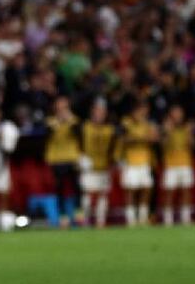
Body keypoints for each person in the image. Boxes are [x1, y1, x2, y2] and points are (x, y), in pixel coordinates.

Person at [78, 98, 117, 227]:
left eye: (102, 112)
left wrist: (112, 162)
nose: (99, 114)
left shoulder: (110, 129)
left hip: (103, 166)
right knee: (88, 194)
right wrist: (81, 158)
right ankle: (86, 220)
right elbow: (79, 144)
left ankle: (101, 221)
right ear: (92, 112)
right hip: (89, 166)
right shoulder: (84, 127)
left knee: (102, 194)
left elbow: (113, 148)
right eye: (97, 111)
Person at [119, 101, 158, 226]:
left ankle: (142, 216)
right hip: (130, 161)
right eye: (141, 110)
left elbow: (153, 139)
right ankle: (131, 218)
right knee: (131, 190)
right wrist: (141, 139)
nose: (142, 113)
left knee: (146, 188)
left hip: (145, 160)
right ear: (134, 111)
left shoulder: (148, 124)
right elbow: (123, 139)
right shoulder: (126, 123)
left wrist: (136, 139)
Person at [44, 96, 81, 228]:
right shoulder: (50, 121)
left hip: (71, 158)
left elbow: (78, 134)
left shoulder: (74, 121)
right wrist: (59, 122)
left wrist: (68, 121)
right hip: (56, 159)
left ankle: (76, 216)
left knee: (75, 188)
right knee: (58, 188)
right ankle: (61, 217)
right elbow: (47, 134)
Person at [160, 104, 195, 225]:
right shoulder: (167, 128)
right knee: (169, 192)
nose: (177, 116)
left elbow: (192, 145)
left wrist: (190, 133)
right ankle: (168, 219)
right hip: (171, 164)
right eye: (175, 113)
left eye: (179, 113)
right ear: (171, 115)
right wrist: (168, 132)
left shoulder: (186, 128)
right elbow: (163, 145)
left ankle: (186, 217)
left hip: (185, 163)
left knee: (186, 191)